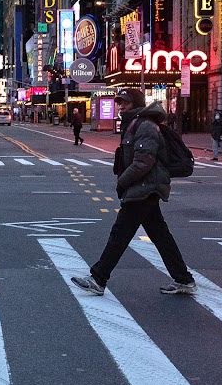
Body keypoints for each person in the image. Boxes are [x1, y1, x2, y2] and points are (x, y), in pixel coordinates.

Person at [71, 89, 196, 297]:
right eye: (119, 103)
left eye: (125, 103)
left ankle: (98, 278)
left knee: (120, 234)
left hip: (145, 187)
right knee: (160, 235)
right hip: (145, 187)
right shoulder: (134, 124)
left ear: (136, 104)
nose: (120, 107)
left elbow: (143, 162)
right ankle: (184, 279)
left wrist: (122, 181)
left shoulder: (145, 125)